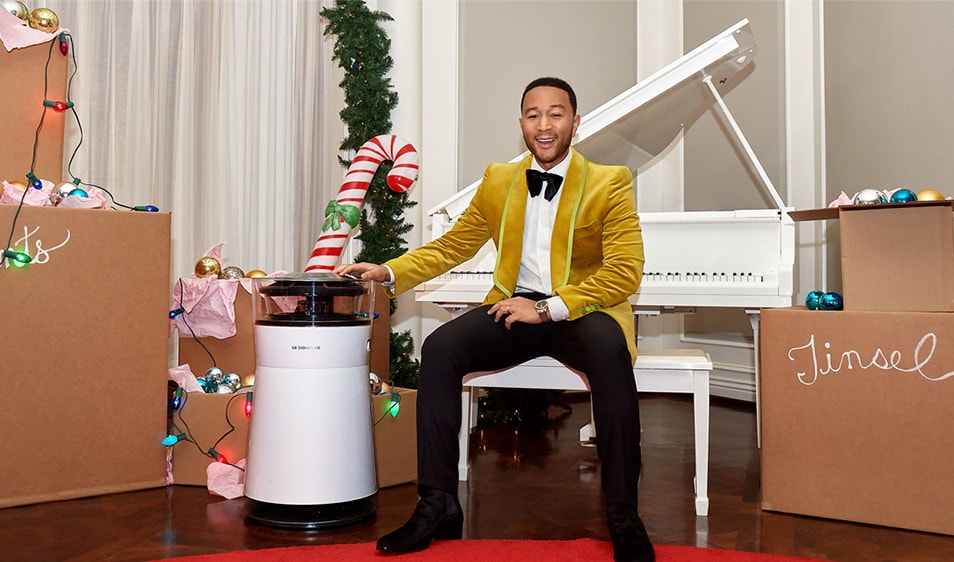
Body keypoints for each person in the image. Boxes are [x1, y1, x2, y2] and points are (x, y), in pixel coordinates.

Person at [336, 76, 654, 562]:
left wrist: (548, 307)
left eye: (555, 113)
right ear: (521, 124)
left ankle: (623, 513)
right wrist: (387, 269)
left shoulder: (610, 182)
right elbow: (453, 245)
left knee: (610, 354)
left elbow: (624, 272)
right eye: (533, 115)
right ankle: (437, 502)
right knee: (440, 349)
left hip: (581, 308)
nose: (544, 125)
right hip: (514, 305)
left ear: (575, 121)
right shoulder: (500, 179)